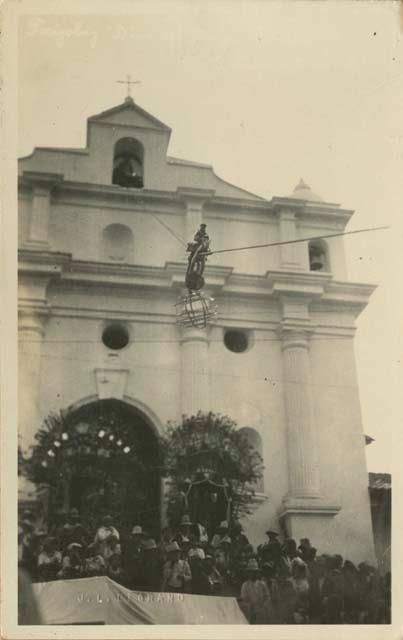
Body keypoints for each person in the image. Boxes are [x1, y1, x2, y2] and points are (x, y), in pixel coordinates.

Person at [240, 558, 272, 624]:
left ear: (257, 572)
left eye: (254, 572)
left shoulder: (262, 584)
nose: (253, 574)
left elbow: (267, 597)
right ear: (248, 573)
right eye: (251, 571)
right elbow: (244, 600)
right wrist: (251, 608)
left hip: (262, 613)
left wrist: (263, 607)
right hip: (251, 613)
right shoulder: (245, 585)